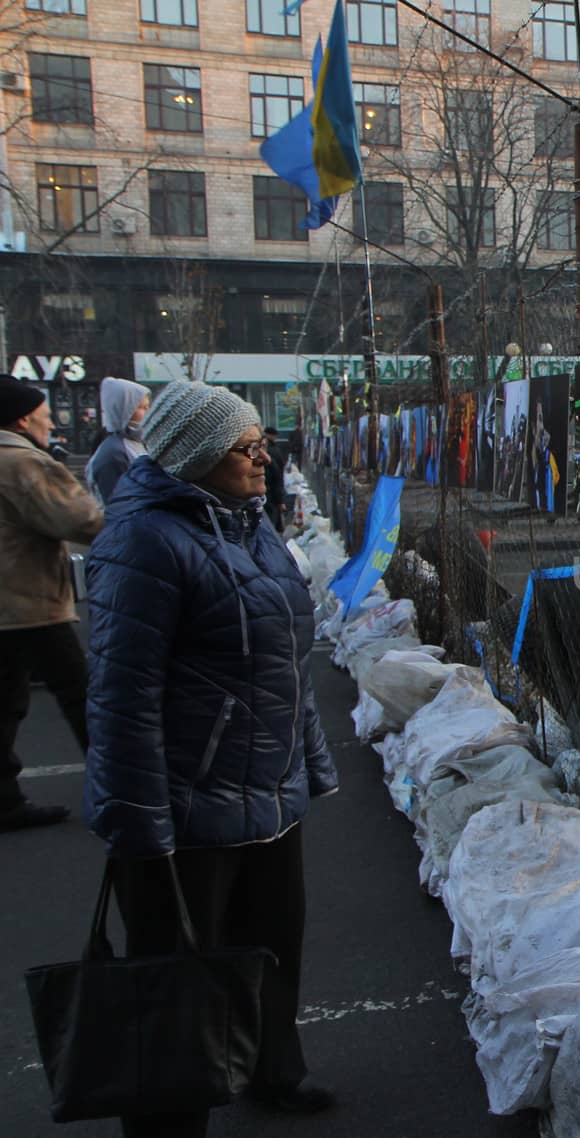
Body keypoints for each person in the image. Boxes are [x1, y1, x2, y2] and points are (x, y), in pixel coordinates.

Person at [83, 382, 338, 1136]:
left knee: (270, 949)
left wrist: (310, 763)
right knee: (176, 977)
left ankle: (274, 1071)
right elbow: (121, 700)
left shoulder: (248, 525)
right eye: (246, 447)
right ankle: (170, 1117)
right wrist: (138, 825)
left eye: (262, 442)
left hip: (267, 793)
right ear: (196, 455)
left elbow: (287, 658)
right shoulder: (144, 544)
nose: (265, 458)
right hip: (188, 810)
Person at [0, 378, 104, 832]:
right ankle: (120, 788)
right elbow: (83, 519)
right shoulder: (22, 462)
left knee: (5, 702)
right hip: (29, 603)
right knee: (82, 695)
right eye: (46, 413)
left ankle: (4, 801)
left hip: (10, 604)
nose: (51, 421)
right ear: (24, 418)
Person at [85, 377, 152, 505]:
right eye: (142, 407)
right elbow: (117, 505)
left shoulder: (138, 442)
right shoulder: (114, 454)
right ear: (124, 409)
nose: (148, 412)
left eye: (148, 406)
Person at [262, 425, 289, 530]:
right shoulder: (274, 452)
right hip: (270, 498)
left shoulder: (272, 453)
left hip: (267, 497)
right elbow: (277, 478)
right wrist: (280, 500)